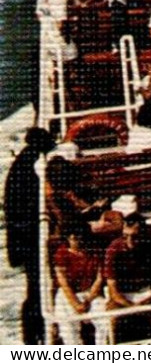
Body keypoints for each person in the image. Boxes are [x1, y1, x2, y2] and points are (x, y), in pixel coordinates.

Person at [7, 128, 55, 343]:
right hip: (28, 239)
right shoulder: (28, 168)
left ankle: (33, 336)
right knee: (36, 288)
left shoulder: (23, 163)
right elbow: (24, 208)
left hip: (23, 239)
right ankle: (33, 337)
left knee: (35, 288)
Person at [50, 219, 109, 346]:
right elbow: (63, 282)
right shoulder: (61, 254)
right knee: (68, 327)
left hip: (90, 293)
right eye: (72, 236)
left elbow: (99, 278)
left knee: (105, 321)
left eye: (78, 235)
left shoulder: (94, 251)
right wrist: (76, 304)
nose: (75, 238)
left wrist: (87, 300)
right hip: (68, 294)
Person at [104, 212, 151, 317]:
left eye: (135, 236)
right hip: (124, 293)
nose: (130, 241)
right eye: (126, 236)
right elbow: (113, 291)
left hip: (148, 290)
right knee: (113, 311)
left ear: (143, 233)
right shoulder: (113, 249)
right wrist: (133, 307)